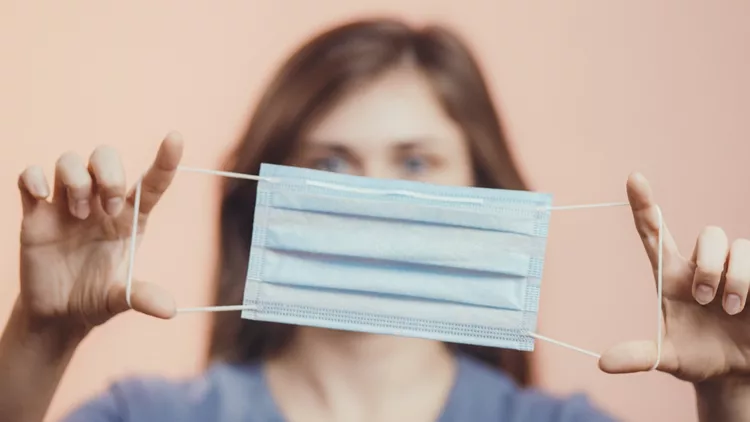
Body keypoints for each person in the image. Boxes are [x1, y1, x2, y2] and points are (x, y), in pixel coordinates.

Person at [1, 17, 749, 422]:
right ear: (264, 197)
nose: (373, 197)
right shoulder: (147, 417)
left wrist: (731, 402)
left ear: (481, 186)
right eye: (330, 164)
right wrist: (39, 338)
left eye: (416, 163)